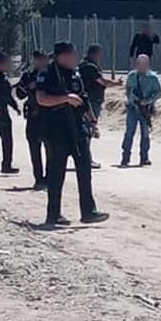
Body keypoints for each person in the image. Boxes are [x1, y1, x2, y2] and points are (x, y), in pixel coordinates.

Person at [35, 41, 109, 227]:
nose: (74, 58)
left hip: (77, 127)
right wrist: (65, 99)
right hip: (56, 129)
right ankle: (53, 215)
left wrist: (92, 121)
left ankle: (88, 212)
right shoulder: (47, 73)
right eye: (71, 55)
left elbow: (83, 98)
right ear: (61, 56)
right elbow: (41, 99)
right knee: (56, 173)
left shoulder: (75, 73)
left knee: (84, 169)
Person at [79, 43, 121, 168]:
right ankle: (86, 159)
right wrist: (116, 83)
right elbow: (102, 81)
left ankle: (83, 158)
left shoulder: (83, 65)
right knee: (88, 130)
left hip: (89, 102)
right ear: (95, 54)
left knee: (86, 130)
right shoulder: (90, 67)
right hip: (91, 102)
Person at [15, 50, 50, 189]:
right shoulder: (28, 75)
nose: (39, 63)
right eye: (36, 60)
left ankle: (49, 177)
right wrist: (28, 87)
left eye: (42, 60)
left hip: (49, 116)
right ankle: (38, 178)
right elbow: (20, 94)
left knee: (51, 149)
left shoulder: (52, 74)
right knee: (34, 148)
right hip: (33, 115)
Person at [120, 53, 161, 167]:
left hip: (146, 110)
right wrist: (134, 99)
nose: (141, 66)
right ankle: (125, 158)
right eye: (139, 64)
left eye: (144, 64)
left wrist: (147, 101)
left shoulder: (153, 78)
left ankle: (144, 157)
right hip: (133, 109)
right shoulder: (132, 76)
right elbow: (128, 90)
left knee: (145, 134)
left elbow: (158, 93)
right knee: (129, 133)